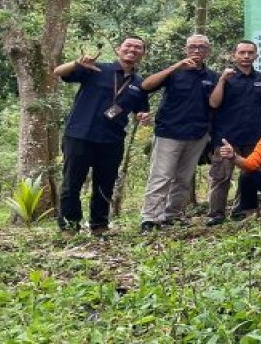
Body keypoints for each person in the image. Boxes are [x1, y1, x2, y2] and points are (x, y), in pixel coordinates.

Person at [54, 37, 150, 234]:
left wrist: (143, 116)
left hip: (112, 140)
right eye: (128, 46)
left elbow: (140, 110)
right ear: (118, 49)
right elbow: (58, 72)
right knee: (72, 182)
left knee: (105, 184)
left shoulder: (139, 83)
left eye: (137, 47)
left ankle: (99, 225)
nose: (132, 50)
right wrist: (76, 63)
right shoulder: (95, 68)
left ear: (143, 54)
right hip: (80, 134)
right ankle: (69, 226)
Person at [139, 34, 217, 231]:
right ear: (185, 49)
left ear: (208, 51)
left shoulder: (211, 77)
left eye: (201, 47)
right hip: (169, 132)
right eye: (193, 47)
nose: (197, 50)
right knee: (161, 175)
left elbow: (215, 105)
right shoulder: (173, 73)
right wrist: (175, 66)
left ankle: (172, 214)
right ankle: (150, 217)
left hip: (197, 134)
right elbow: (146, 86)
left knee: (183, 178)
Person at [205, 40, 261, 226]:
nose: (246, 56)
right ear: (233, 55)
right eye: (242, 52)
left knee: (250, 174)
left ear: (256, 56)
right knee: (221, 176)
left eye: (250, 53)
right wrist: (222, 80)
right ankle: (216, 213)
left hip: (256, 137)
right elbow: (213, 103)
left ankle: (241, 208)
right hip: (225, 136)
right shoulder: (224, 78)